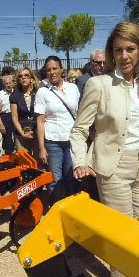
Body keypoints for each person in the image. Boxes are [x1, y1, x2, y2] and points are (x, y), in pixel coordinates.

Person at [70, 21, 139, 277]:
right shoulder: (99, 85)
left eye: (130, 49)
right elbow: (79, 130)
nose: (124, 56)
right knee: (123, 239)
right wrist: (80, 162)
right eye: (118, 50)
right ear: (111, 53)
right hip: (112, 170)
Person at [35, 55, 80, 206]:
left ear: (61, 69)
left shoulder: (73, 88)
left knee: (71, 178)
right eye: (48, 70)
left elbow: (78, 114)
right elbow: (40, 121)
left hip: (71, 141)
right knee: (55, 180)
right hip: (52, 142)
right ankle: (56, 211)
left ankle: (72, 211)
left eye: (55, 68)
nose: (52, 72)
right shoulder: (42, 92)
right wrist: (41, 148)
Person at [10, 67, 40, 158]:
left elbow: (42, 115)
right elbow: (14, 118)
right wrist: (23, 134)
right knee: (24, 161)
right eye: (20, 76)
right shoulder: (14, 95)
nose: (23, 78)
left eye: (26, 75)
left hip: (37, 132)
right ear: (18, 79)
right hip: (21, 134)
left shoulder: (39, 93)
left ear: (31, 78)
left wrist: (36, 131)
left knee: (38, 162)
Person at [0, 75, 15, 155]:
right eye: (6, 83)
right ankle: (9, 156)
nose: (8, 85)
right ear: (4, 84)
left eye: (10, 83)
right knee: (7, 140)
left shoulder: (16, 92)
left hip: (16, 115)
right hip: (5, 117)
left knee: (18, 137)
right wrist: (1, 124)